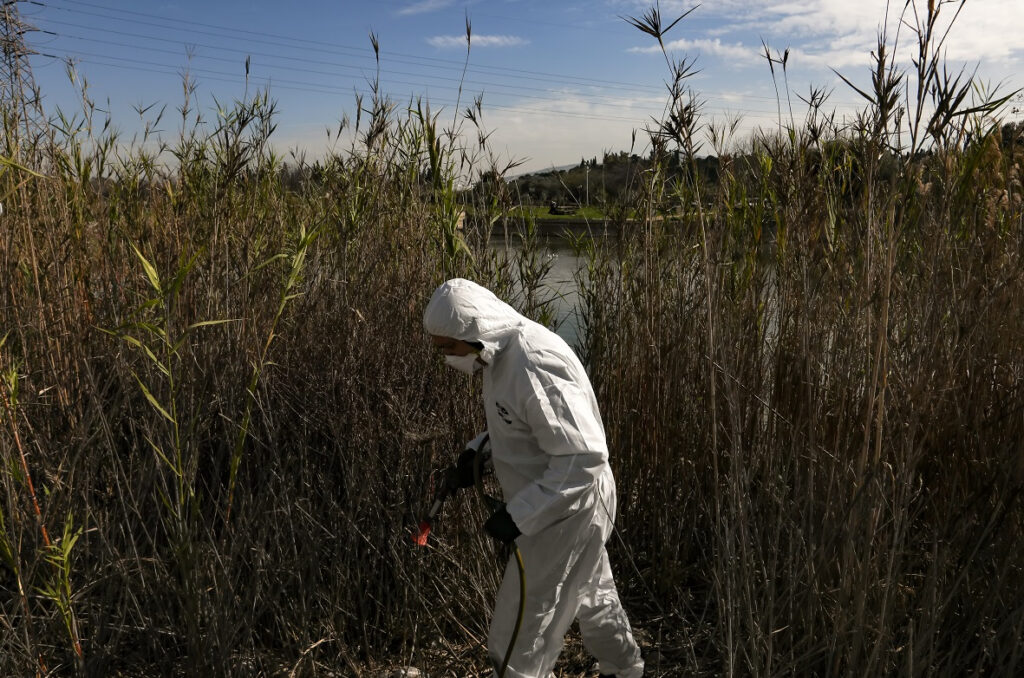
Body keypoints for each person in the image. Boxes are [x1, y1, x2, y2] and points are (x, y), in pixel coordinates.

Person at [423, 278, 645, 678]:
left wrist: (519, 515)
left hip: (568, 509)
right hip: (558, 502)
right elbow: (531, 426)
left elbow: (583, 456)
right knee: (592, 593)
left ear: (471, 331)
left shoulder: (532, 359)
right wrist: (479, 455)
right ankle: (625, 669)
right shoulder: (497, 357)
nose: (445, 356)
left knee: (519, 628)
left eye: (446, 347)